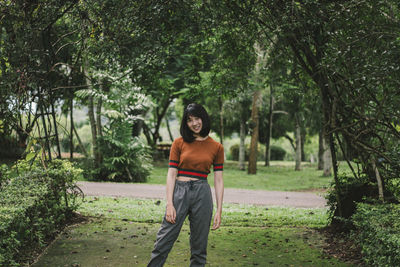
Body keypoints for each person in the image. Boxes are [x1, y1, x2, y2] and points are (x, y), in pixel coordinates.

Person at [147, 103, 224, 267]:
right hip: (179, 193)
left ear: (203, 118)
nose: (194, 123)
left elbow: (218, 180)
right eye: (190, 120)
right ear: (186, 123)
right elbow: (171, 174)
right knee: (164, 240)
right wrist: (169, 203)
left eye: (197, 118)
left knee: (199, 246)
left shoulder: (217, 147)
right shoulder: (179, 143)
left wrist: (219, 209)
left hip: (202, 194)